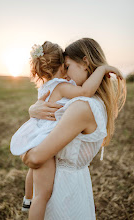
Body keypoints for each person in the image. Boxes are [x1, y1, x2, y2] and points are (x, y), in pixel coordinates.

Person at [10, 41, 122, 218]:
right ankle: (29, 198)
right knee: (40, 195)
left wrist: (101, 69)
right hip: (69, 185)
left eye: (68, 66)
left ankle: (28, 198)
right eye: (65, 66)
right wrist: (33, 110)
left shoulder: (82, 106)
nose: (67, 72)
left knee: (39, 194)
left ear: (85, 63)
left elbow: (34, 158)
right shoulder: (78, 97)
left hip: (65, 191)